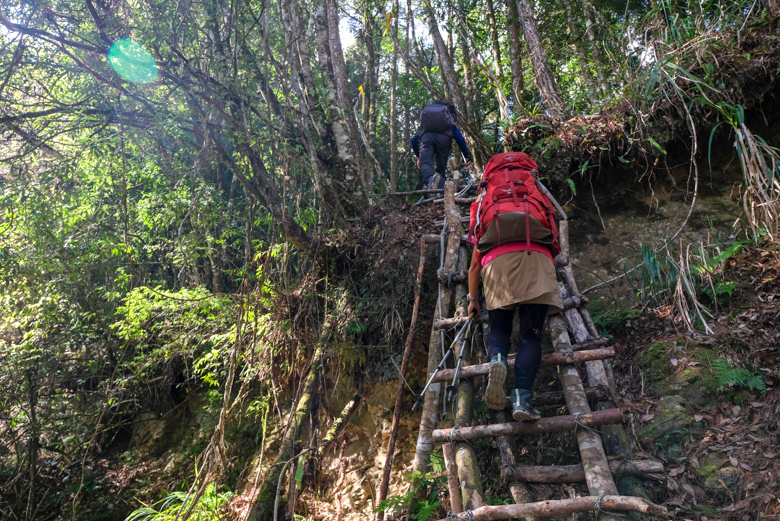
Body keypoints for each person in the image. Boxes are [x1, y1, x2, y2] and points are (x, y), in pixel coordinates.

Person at [467, 240, 563, 421]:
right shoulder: (542, 210)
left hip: (498, 266)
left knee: (499, 329)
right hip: (537, 264)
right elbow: (554, 253)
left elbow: (474, 267)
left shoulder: (482, 212)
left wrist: (473, 299)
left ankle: (497, 358)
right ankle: (521, 401)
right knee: (530, 338)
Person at [410, 101, 472, 190]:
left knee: (426, 163)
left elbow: (413, 140)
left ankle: (429, 183)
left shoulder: (424, 127)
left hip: (426, 138)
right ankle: (440, 190)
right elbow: (460, 140)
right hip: (444, 140)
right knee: (441, 169)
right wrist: (466, 157)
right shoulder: (450, 125)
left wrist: (418, 157)